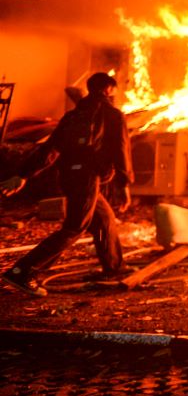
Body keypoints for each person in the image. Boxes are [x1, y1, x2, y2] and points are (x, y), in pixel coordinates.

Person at [0, 72, 133, 297]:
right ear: (109, 89)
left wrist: (23, 175)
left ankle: (114, 268)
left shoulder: (73, 116)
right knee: (74, 227)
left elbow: (50, 149)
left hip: (69, 177)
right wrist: (124, 185)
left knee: (104, 218)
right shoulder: (113, 115)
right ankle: (23, 271)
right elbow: (121, 151)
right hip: (88, 178)